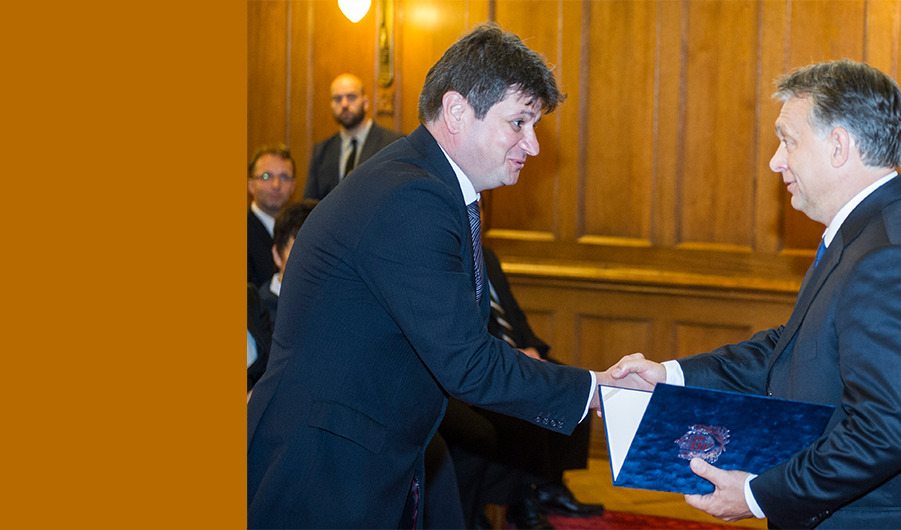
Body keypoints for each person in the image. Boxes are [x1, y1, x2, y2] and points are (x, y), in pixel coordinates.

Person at [247, 24, 637, 529]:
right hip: (322, 468)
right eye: (519, 122)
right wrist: (594, 390)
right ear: (456, 111)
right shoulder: (411, 196)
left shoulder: (424, 183)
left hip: (356, 453)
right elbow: (467, 362)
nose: (533, 145)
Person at [608, 59, 901, 529]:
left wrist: (757, 495)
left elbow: (884, 434)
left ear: (838, 146)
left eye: (788, 140)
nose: (776, 161)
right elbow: (794, 349)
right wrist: (670, 376)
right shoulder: (868, 235)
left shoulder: (888, 257)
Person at [438, 246, 604, 529]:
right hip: (486, 363)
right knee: (527, 407)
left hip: (514, 354)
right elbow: (468, 330)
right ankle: (521, 499)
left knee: (577, 385)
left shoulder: (488, 255)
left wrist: (532, 347)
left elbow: (512, 313)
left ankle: (551, 485)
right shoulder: (450, 254)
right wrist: (517, 356)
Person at [303, 73, 402, 200]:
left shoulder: (393, 144)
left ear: (365, 103)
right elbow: (310, 203)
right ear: (331, 105)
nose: (344, 104)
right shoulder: (321, 151)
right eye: (337, 99)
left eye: (351, 97)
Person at [256, 199, 318, 332]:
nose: (311, 261)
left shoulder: (334, 304)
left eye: (318, 252)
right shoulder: (257, 314)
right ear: (277, 256)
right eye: (299, 252)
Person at [247, 145, 295, 287]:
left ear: (293, 186)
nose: (276, 185)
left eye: (284, 177)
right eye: (266, 176)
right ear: (251, 185)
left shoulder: (302, 232)